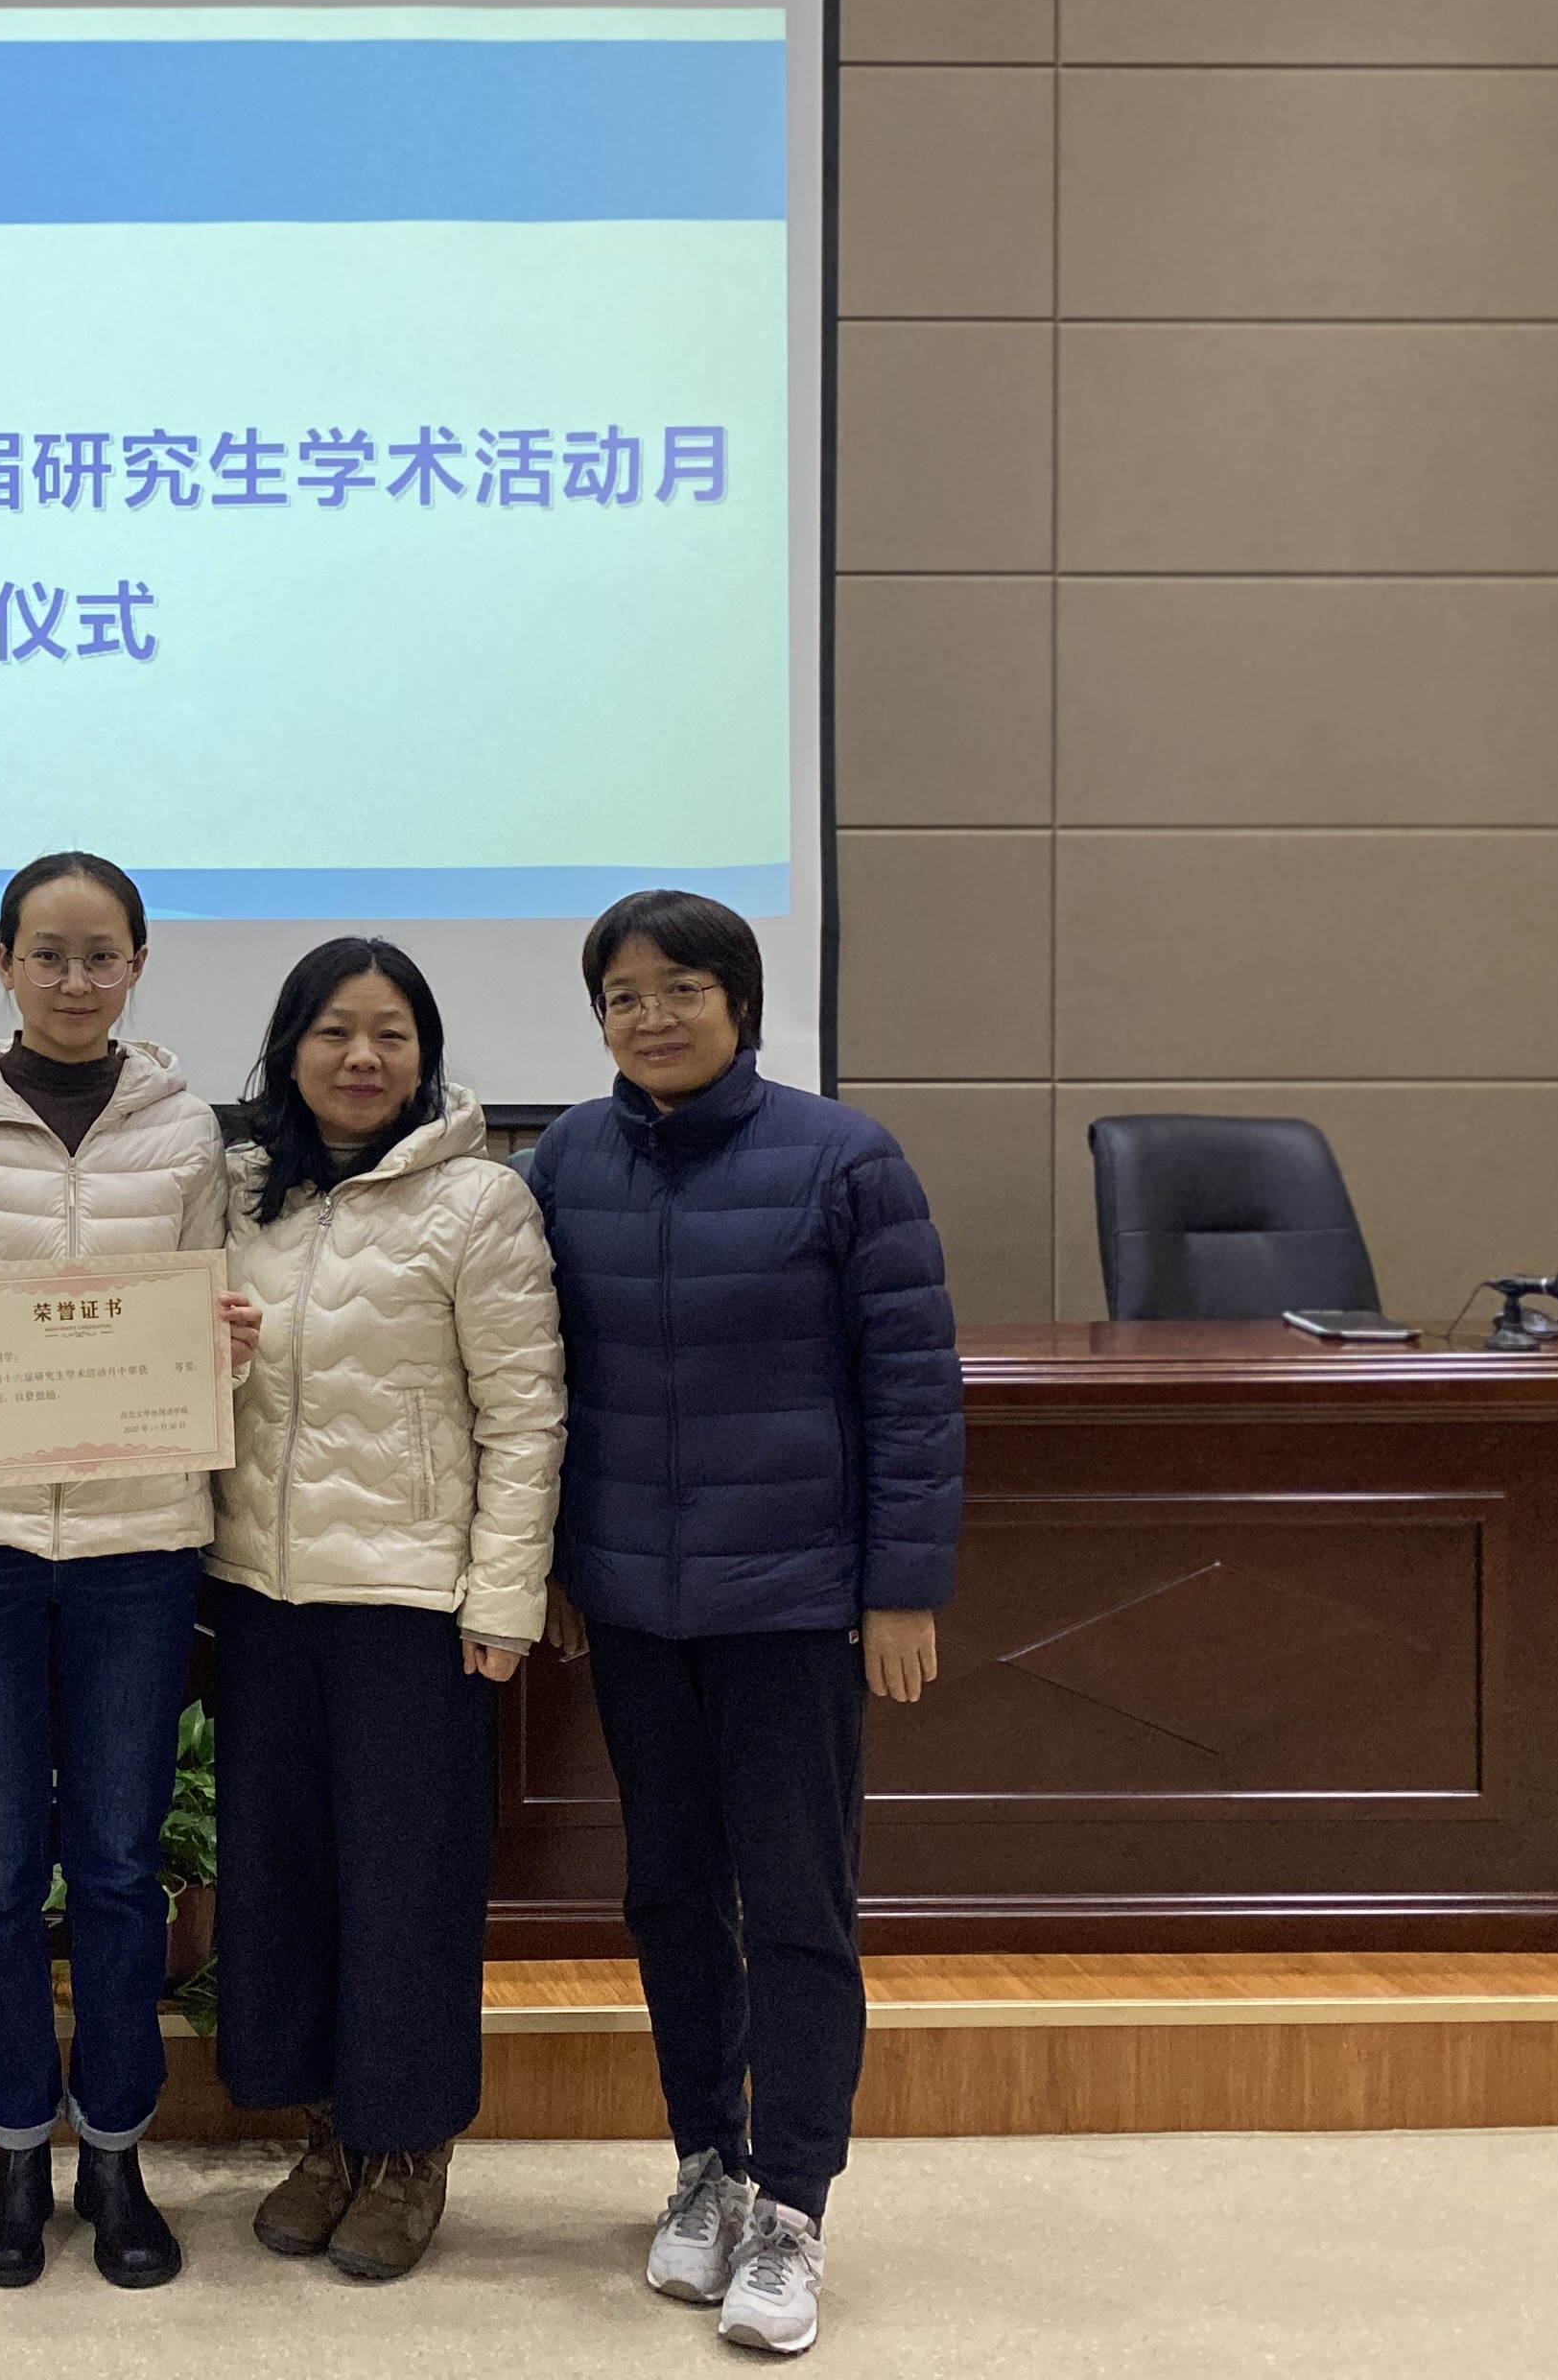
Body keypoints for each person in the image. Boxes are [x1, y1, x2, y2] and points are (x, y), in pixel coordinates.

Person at [522, 889, 963, 2359]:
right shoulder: (567, 1162)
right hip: (634, 1605)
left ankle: (793, 2209)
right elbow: (543, 1383)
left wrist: (900, 1585)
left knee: (794, 1907)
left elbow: (913, 1392)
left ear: (742, 1003)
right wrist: (559, 1566)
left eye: (682, 989)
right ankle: (705, 2165)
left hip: (793, 1602)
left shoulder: (845, 1159)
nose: (652, 1017)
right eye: (623, 996)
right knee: (668, 1897)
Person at [0, 850, 258, 2292]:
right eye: (48, 954)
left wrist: (227, 1344)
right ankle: (15, 2145)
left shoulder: (187, 1129)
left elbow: (215, 1304)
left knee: (123, 1865)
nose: (75, 980)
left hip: (142, 1539)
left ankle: (118, 2151)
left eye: (101, 956)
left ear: (137, 965)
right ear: (4, 963)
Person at [208, 937, 564, 2284]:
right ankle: (325, 2133)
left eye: (391, 1035)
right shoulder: (240, 1193)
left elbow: (524, 1415)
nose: (362, 1058)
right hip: (259, 1591)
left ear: (424, 1056)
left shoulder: (479, 1200)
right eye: (334, 1032)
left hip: (414, 1605)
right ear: (289, 1049)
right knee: (283, 1879)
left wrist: (504, 1599)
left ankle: (408, 2147)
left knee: (408, 1887)